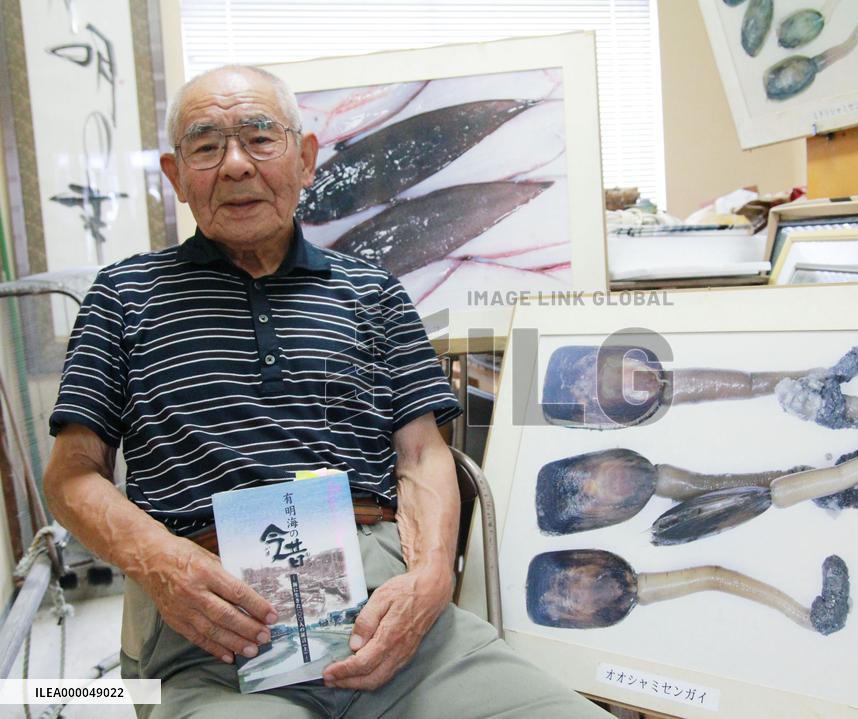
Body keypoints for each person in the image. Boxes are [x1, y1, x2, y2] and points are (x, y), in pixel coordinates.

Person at [43, 64, 609, 719]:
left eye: (260, 138)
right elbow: (72, 475)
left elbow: (423, 454)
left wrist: (428, 580)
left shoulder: (373, 292)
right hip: (214, 627)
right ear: (176, 176)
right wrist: (162, 562)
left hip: (389, 609)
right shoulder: (123, 297)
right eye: (206, 146)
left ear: (306, 158)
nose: (234, 165)